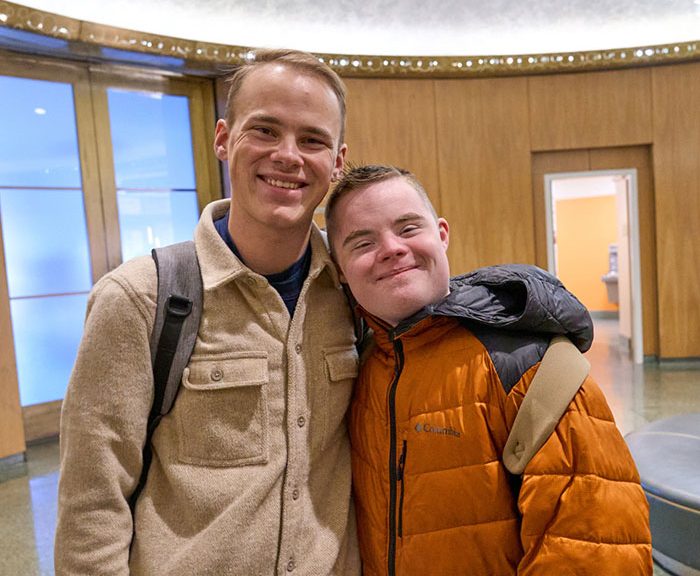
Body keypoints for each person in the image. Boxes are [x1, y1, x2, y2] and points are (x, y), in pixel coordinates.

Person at [55, 49, 361, 575]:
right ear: (224, 139)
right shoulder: (139, 299)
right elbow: (92, 505)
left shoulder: (356, 293)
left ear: (337, 162)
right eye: (264, 130)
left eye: (312, 139)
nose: (288, 155)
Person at [324, 164, 652, 575]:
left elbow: (594, 552)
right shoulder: (363, 368)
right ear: (339, 269)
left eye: (408, 229)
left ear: (441, 235)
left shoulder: (532, 369)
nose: (391, 248)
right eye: (362, 243)